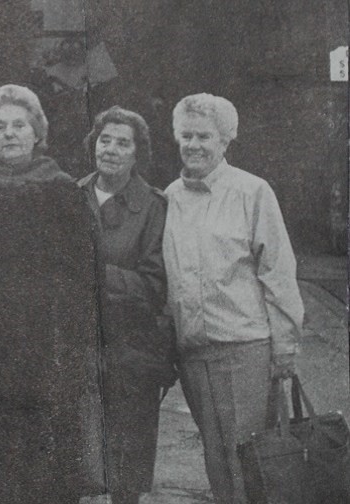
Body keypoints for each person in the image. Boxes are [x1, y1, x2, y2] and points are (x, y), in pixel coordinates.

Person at [0, 84, 99, 504]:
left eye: (19, 125)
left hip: (48, 353)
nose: (10, 134)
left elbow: (83, 275)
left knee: (46, 476)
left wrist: (70, 346)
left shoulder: (62, 190)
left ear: (37, 132)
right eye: (0, 126)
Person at [163, 93, 304, 504]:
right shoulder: (170, 196)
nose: (194, 145)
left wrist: (286, 346)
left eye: (204, 136)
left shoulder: (252, 192)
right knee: (215, 456)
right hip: (192, 352)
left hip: (244, 349)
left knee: (247, 457)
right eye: (186, 135)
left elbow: (277, 271)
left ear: (226, 140)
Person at [77, 106, 174, 504]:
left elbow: (154, 284)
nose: (111, 150)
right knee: (74, 459)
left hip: (131, 351)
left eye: (123, 143)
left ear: (138, 154)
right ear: (93, 145)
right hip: (77, 346)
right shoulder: (70, 194)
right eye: (105, 140)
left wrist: (94, 274)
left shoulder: (155, 207)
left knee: (124, 470)